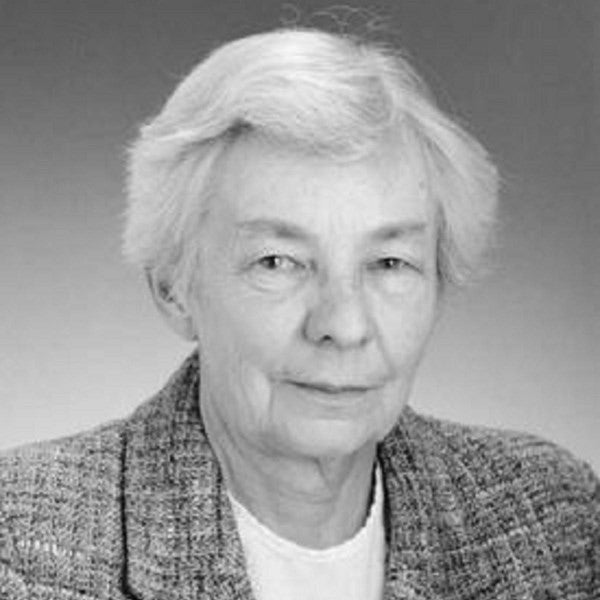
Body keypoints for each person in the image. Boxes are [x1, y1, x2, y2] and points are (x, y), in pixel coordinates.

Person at [0, 27, 597, 600]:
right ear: (173, 287)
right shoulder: (19, 545)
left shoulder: (556, 519)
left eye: (389, 263)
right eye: (278, 262)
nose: (343, 325)